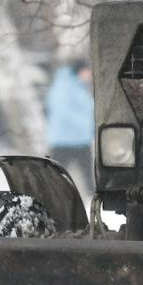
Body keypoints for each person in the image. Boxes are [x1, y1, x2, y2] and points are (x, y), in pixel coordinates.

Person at [45, 60, 95, 194]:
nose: (90, 74)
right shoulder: (63, 86)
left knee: (88, 177)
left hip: (80, 139)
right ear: (80, 70)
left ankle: (92, 201)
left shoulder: (78, 86)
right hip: (64, 140)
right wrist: (86, 126)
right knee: (54, 176)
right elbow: (64, 111)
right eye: (88, 71)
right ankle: (48, 197)